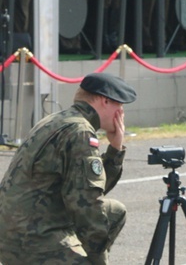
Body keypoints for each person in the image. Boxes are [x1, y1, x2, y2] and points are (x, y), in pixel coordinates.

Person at [0, 73, 137, 264]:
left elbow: (90, 188)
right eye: (119, 105)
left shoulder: (57, 120)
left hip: (14, 231)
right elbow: (87, 205)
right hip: (33, 241)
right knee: (95, 238)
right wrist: (97, 259)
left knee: (115, 211)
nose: (121, 113)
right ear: (105, 101)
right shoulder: (79, 132)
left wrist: (114, 149)